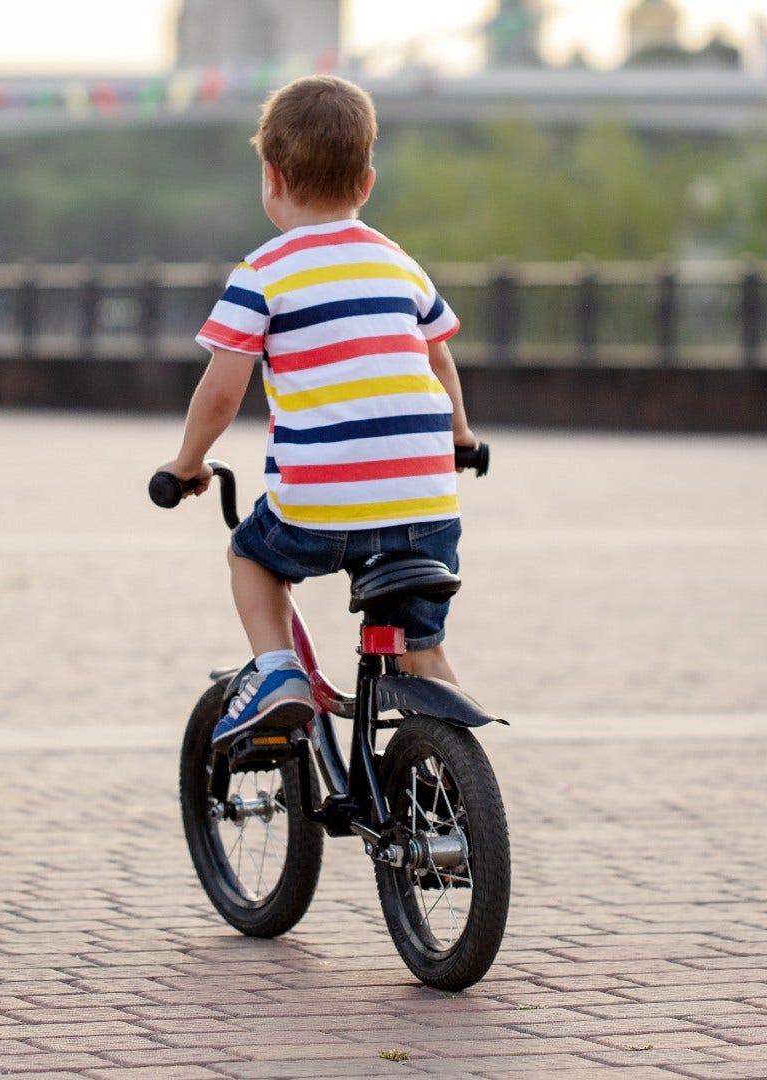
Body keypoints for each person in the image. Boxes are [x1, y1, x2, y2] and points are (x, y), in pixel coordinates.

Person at [155, 74, 478, 751]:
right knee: (422, 646)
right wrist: (461, 436)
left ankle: (279, 675)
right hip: (426, 508)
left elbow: (222, 390)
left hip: (320, 511)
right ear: (367, 182)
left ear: (271, 178)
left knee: (250, 553)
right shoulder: (400, 264)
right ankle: (455, 791)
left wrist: (185, 464)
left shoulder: (263, 272)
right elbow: (438, 361)